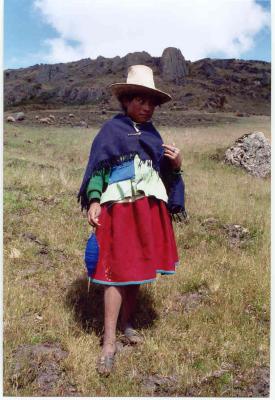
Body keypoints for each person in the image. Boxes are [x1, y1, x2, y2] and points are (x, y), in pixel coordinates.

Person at [78, 65, 186, 376]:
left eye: (151, 103)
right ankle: (109, 341)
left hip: (149, 210)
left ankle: (127, 323)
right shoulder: (111, 130)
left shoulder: (154, 135)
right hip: (120, 208)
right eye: (140, 100)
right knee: (113, 271)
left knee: (137, 268)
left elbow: (165, 175)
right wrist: (95, 200)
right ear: (126, 101)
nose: (147, 107)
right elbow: (99, 169)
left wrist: (177, 164)